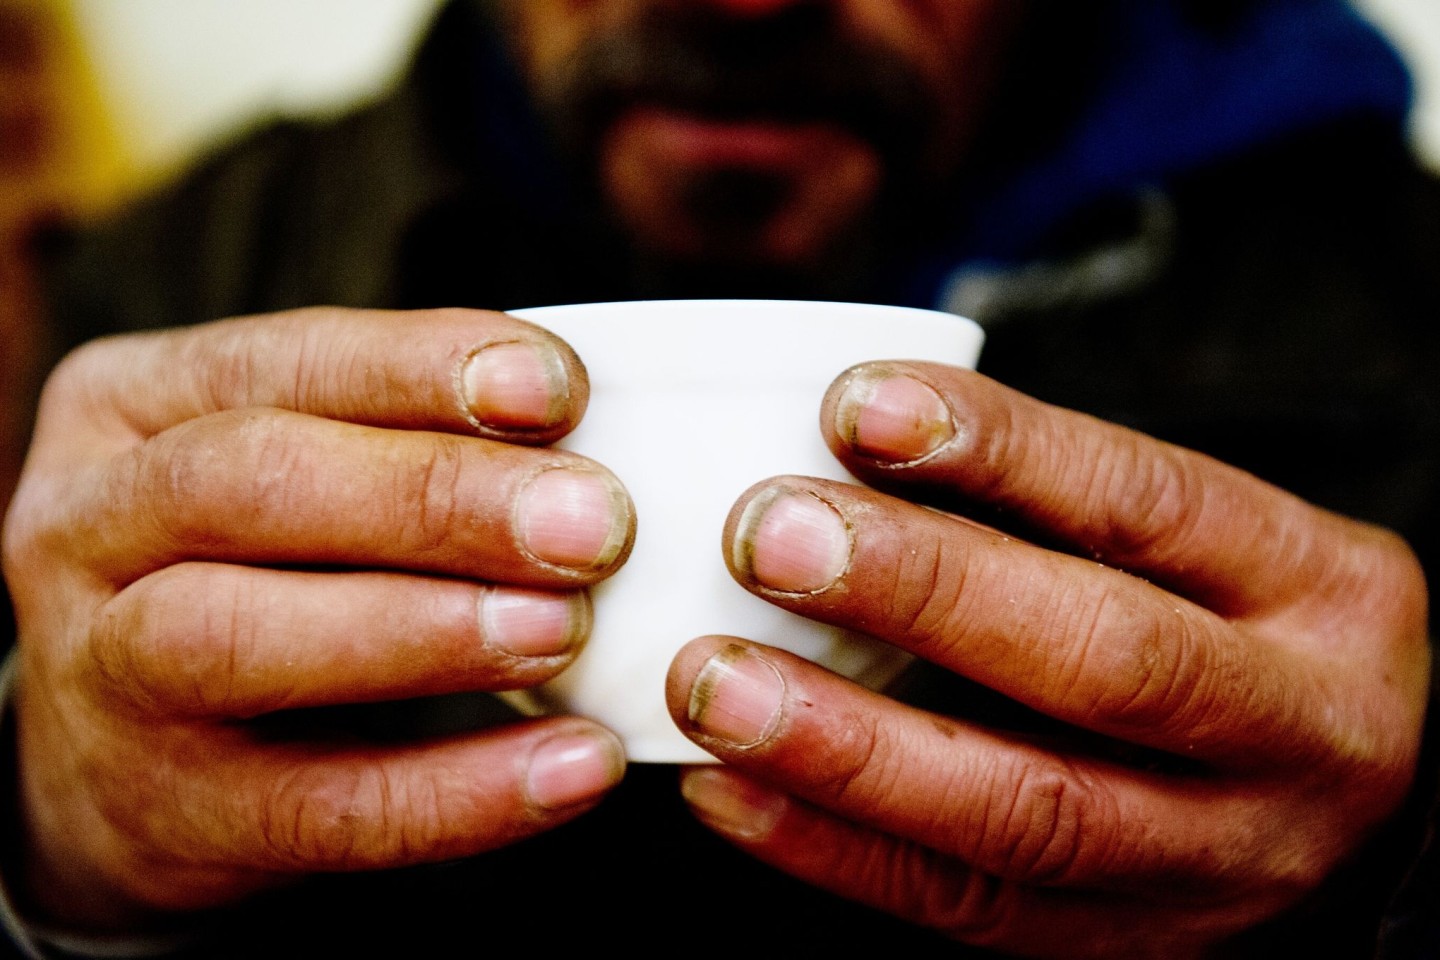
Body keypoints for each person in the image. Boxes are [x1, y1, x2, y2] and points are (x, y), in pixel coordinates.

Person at [2, 0, 1437, 955]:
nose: (744, 3)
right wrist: (60, 847)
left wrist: (1392, 869)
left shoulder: (1400, 288)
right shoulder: (190, 269)